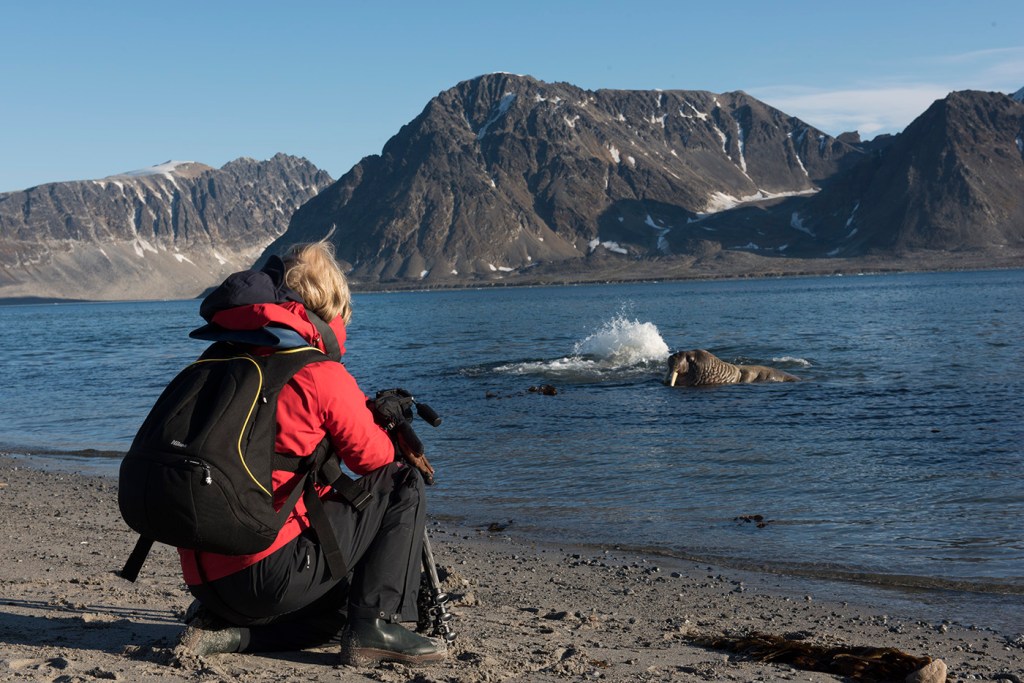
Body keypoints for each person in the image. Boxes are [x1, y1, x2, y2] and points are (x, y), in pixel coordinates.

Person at [175, 240, 444, 667]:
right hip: (267, 577)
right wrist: (380, 422)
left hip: (206, 578)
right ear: (329, 306)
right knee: (401, 481)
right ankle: (374, 625)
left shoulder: (220, 359)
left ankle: (231, 633)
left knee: (333, 604)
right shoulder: (318, 371)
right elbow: (375, 461)